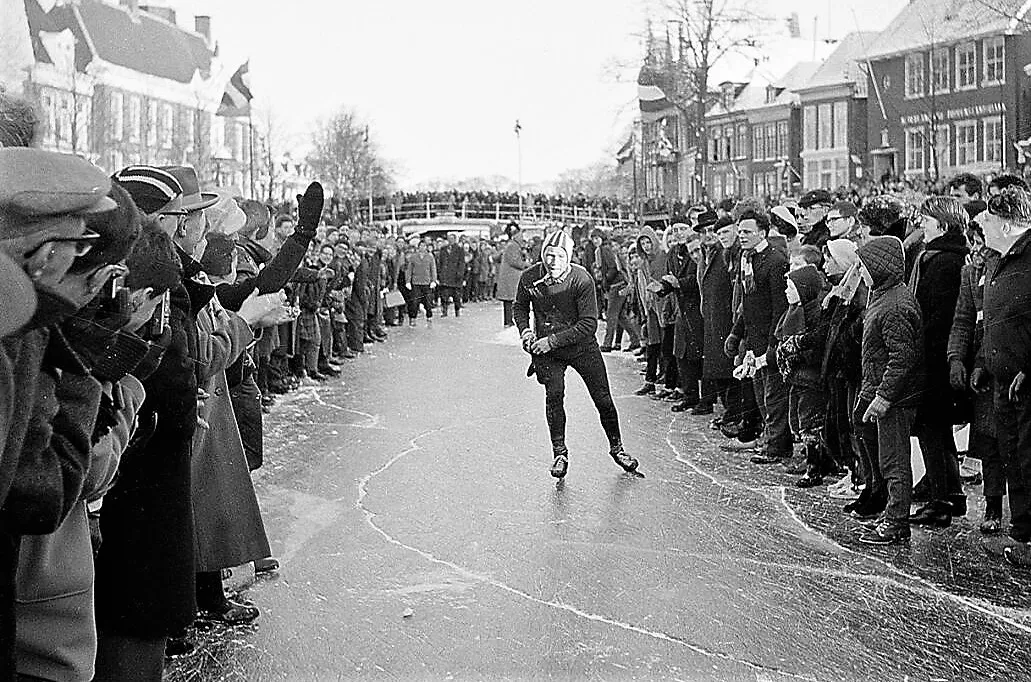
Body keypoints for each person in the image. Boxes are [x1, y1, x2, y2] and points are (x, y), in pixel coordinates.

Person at [513, 230, 639, 478]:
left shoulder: (582, 279)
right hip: (547, 349)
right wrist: (526, 332)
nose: (553, 263)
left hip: (580, 346)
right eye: (549, 256)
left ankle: (617, 448)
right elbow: (519, 306)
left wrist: (552, 341)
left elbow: (589, 324)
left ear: (568, 257)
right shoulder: (529, 277)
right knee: (555, 394)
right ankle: (559, 452)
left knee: (602, 398)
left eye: (560, 257)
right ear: (542, 255)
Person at [855, 236, 924, 545]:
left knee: (894, 461)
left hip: (896, 397)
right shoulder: (882, 295)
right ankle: (891, 514)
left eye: (863, 265)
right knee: (888, 459)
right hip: (884, 390)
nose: (860, 271)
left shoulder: (894, 304)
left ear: (879, 267)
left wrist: (883, 397)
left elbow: (902, 357)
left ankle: (897, 521)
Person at [975, 187, 1031, 568]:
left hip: (1026, 382)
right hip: (1002, 379)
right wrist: (982, 359)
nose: (984, 226)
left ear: (1009, 223)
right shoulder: (1000, 260)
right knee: (1012, 456)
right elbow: (992, 319)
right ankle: (1024, 534)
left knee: (1030, 459)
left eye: (990, 220)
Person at [908, 197, 969, 527]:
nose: (922, 226)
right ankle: (952, 493)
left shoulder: (943, 262)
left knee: (932, 426)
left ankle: (940, 500)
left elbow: (939, 316)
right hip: (939, 355)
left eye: (927, 222)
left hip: (934, 358)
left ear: (943, 226)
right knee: (938, 427)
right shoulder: (947, 257)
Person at [726, 210, 791, 464]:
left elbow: (779, 307)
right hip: (753, 339)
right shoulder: (747, 259)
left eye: (747, 232)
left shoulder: (774, 261)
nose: (741, 236)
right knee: (761, 393)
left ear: (762, 233)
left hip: (769, 339)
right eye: (740, 231)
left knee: (773, 395)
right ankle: (768, 437)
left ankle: (778, 445)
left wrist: (773, 344)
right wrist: (736, 333)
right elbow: (747, 302)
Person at [497, 223, 528, 327]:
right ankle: (508, 321)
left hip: (510, 277)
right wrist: (526, 264)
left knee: (509, 300)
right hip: (510, 278)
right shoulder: (513, 246)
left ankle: (509, 320)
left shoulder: (513, 245)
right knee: (509, 300)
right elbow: (515, 262)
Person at [437, 232, 465, 317]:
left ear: (455, 240)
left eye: (452, 239)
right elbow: (440, 263)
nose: (450, 241)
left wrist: (460, 274)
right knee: (444, 295)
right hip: (445, 276)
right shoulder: (443, 249)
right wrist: (440, 274)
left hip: (455, 277)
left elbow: (462, 263)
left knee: (456, 296)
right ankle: (444, 311)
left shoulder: (460, 249)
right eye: (449, 239)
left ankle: (457, 311)